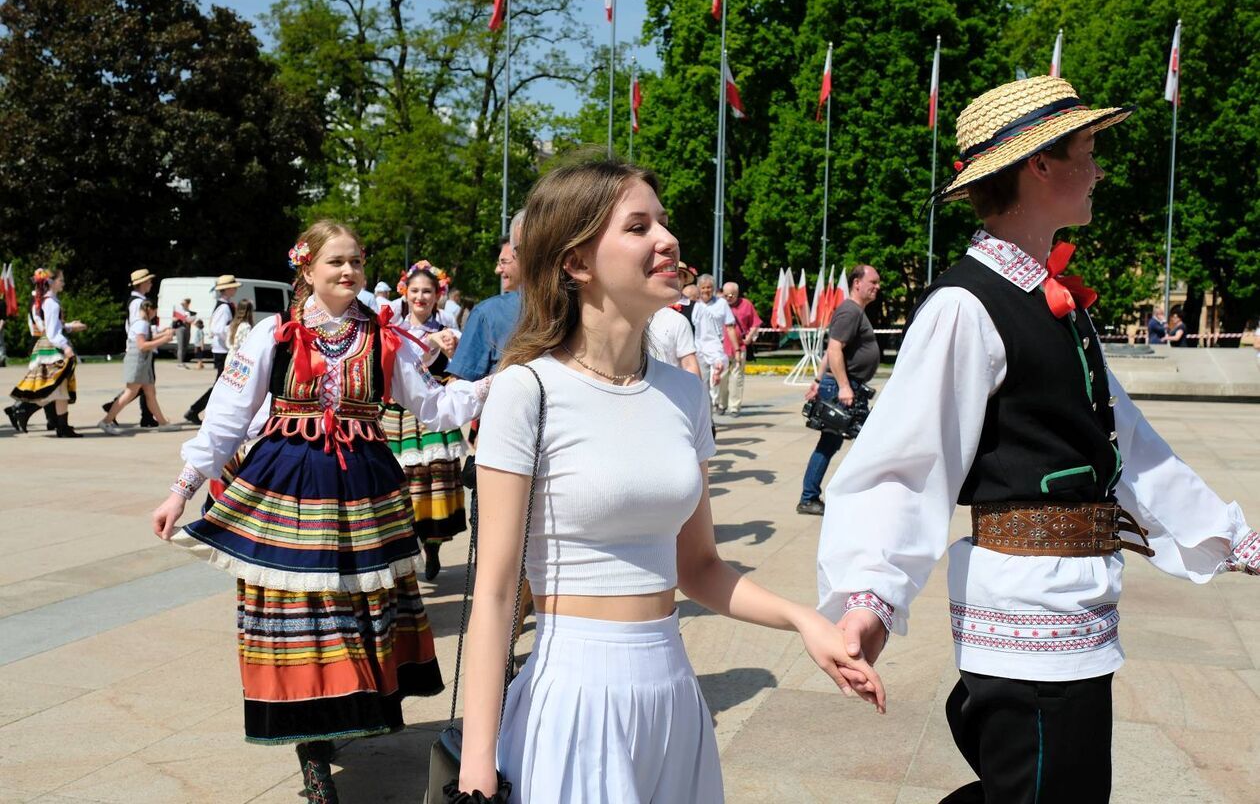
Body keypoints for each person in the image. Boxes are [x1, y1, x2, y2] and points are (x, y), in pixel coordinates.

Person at [816, 76, 1260, 803]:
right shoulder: (965, 303)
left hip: (1074, 610)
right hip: (1027, 613)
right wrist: (870, 593)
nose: (1101, 168)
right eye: (1088, 150)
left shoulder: (1051, 300)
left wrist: (1229, 537)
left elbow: (1125, 439)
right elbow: (905, 461)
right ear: (1039, 166)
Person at [455, 156, 883, 803]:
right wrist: (476, 772)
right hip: (572, 699)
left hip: (674, 694)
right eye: (637, 226)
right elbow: (492, 597)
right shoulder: (527, 391)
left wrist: (805, 622)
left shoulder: (684, 394)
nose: (666, 239)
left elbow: (701, 566)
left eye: (663, 221)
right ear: (575, 262)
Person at [149, 221, 493, 804]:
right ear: (306, 269)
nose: (349, 271)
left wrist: (496, 384)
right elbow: (227, 419)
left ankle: (339, 723)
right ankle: (311, 753)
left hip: (363, 491)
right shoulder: (273, 335)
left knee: (356, 612)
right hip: (290, 488)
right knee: (301, 614)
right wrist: (182, 487)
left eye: (356, 261)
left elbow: (434, 405)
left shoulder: (384, 337)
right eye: (336, 261)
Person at [382, 260, 467, 581]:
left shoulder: (447, 327)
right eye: (414, 290)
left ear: (437, 295)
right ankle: (408, 542)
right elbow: (400, 365)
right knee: (402, 479)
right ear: (405, 292)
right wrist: (430, 342)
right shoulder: (394, 327)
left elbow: (461, 364)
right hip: (399, 412)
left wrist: (450, 345)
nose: (420, 297)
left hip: (432, 411)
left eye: (427, 292)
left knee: (435, 478)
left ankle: (432, 546)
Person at [797, 266, 881, 516]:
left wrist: (817, 380)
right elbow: (834, 349)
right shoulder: (850, 311)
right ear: (857, 283)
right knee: (869, 441)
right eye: (873, 282)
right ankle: (813, 496)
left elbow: (831, 350)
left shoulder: (854, 311)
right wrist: (843, 387)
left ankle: (811, 496)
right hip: (845, 388)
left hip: (845, 386)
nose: (877, 286)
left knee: (832, 443)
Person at [6, 268, 86, 437]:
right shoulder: (51, 303)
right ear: (51, 282)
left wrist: (70, 327)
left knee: (58, 389)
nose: (63, 283)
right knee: (53, 387)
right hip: (52, 348)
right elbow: (52, 332)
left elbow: (55, 328)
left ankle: (60, 426)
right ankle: (24, 411)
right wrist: (66, 347)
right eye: (61, 280)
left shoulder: (49, 301)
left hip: (49, 345)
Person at [446, 221, 524, 382]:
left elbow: (459, 391)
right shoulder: (577, 308)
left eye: (504, 262)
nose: (497, 270)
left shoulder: (488, 314)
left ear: (524, 257)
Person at [98, 300, 173, 432]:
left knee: (150, 393)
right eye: (155, 312)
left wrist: (162, 335)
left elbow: (146, 339)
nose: (155, 315)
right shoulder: (142, 324)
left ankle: (163, 423)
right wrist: (164, 340)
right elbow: (142, 345)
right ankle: (106, 421)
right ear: (149, 309)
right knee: (130, 392)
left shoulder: (140, 323)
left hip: (142, 362)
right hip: (138, 361)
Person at [103, 268, 159, 428]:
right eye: (148, 281)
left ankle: (147, 416)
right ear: (141, 284)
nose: (150, 284)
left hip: (142, 347)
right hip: (141, 349)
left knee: (145, 386)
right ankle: (115, 407)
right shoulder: (137, 303)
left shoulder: (139, 300)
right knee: (140, 386)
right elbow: (138, 326)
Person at [184, 275, 240, 425]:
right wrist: (234, 330)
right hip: (223, 350)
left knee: (223, 385)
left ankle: (200, 411)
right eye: (233, 286)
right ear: (227, 289)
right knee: (221, 385)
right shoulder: (224, 307)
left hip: (223, 349)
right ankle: (195, 410)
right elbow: (217, 328)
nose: (235, 289)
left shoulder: (225, 305)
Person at [690, 274, 739, 411]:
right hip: (698, 349)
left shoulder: (721, 303)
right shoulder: (694, 305)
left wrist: (737, 350)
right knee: (702, 384)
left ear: (714, 288)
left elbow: (730, 327)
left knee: (718, 382)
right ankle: (708, 417)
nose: (706, 290)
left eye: (709, 287)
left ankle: (718, 403)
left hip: (716, 348)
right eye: (704, 287)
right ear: (699, 288)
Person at [716, 281, 763, 417]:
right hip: (722, 347)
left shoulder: (746, 304)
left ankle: (734, 407)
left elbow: (755, 323)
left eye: (732, 295)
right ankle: (721, 404)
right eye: (726, 295)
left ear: (737, 293)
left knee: (737, 377)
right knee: (722, 377)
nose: (729, 297)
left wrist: (749, 337)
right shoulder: (719, 305)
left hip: (740, 346)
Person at [647, 263, 701, 376]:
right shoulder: (634, 313)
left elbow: (690, 363)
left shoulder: (693, 310)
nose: (675, 278)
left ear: (685, 279)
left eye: (679, 275)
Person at [173, 297, 195, 367]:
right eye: (182, 304)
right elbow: (174, 319)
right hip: (180, 328)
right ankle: (180, 362)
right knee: (181, 346)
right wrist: (179, 318)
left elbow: (191, 320)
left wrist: (189, 319)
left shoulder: (189, 312)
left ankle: (182, 361)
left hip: (187, 329)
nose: (183, 305)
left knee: (185, 345)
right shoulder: (179, 311)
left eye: (184, 303)